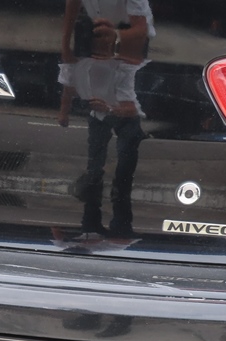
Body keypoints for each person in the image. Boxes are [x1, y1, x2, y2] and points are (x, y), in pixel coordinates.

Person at [58, 0, 154, 238]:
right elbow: (69, 86)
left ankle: (118, 221)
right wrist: (64, 112)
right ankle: (91, 222)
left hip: (120, 117)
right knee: (96, 167)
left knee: (124, 170)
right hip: (99, 115)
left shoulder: (126, 67)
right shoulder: (84, 66)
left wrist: (109, 108)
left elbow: (132, 106)